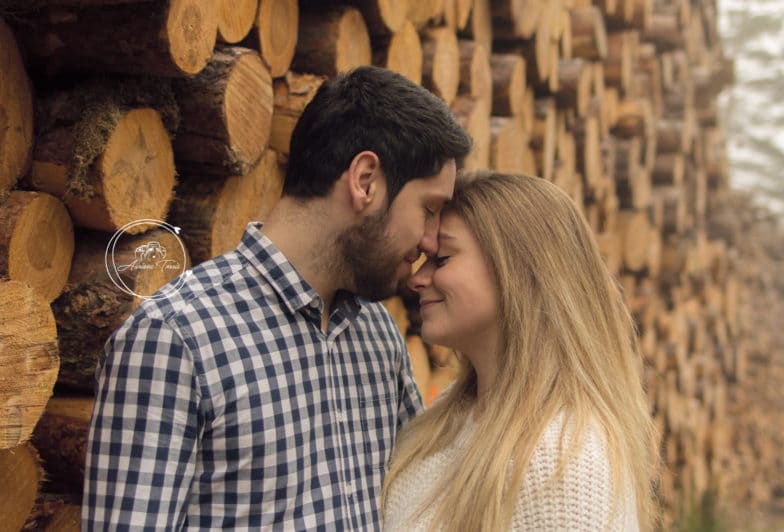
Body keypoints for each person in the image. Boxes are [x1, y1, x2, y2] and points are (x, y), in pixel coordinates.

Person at [83, 66, 472, 530]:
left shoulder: (377, 335)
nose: (431, 240)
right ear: (365, 180)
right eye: (427, 209)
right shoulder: (174, 339)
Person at [382, 171, 661, 531]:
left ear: (517, 270)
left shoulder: (564, 460)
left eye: (444, 259)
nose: (418, 278)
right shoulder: (451, 417)